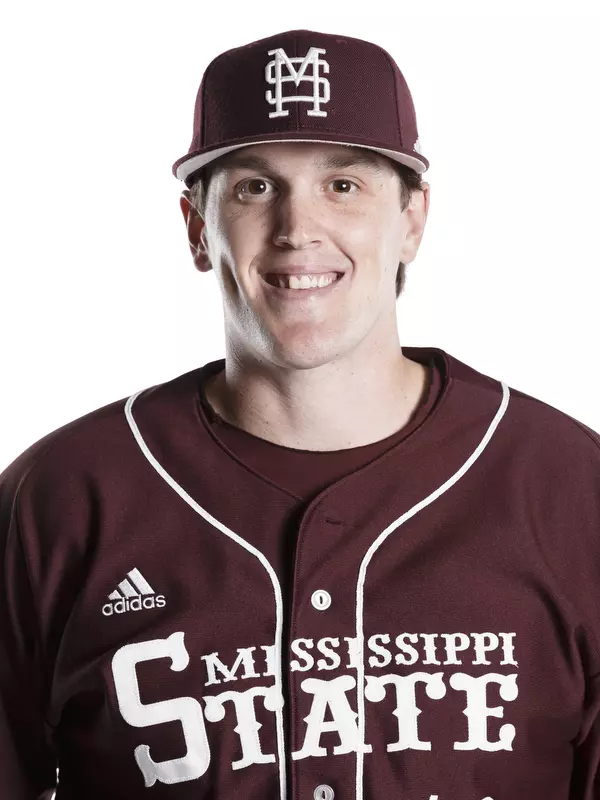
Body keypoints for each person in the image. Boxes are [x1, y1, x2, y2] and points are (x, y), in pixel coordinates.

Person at [1, 27, 599, 800]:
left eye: (343, 185)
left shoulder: (570, 490)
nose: (297, 229)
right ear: (195, 226)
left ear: (413, 218)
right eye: (254, 187)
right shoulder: (60, 502)